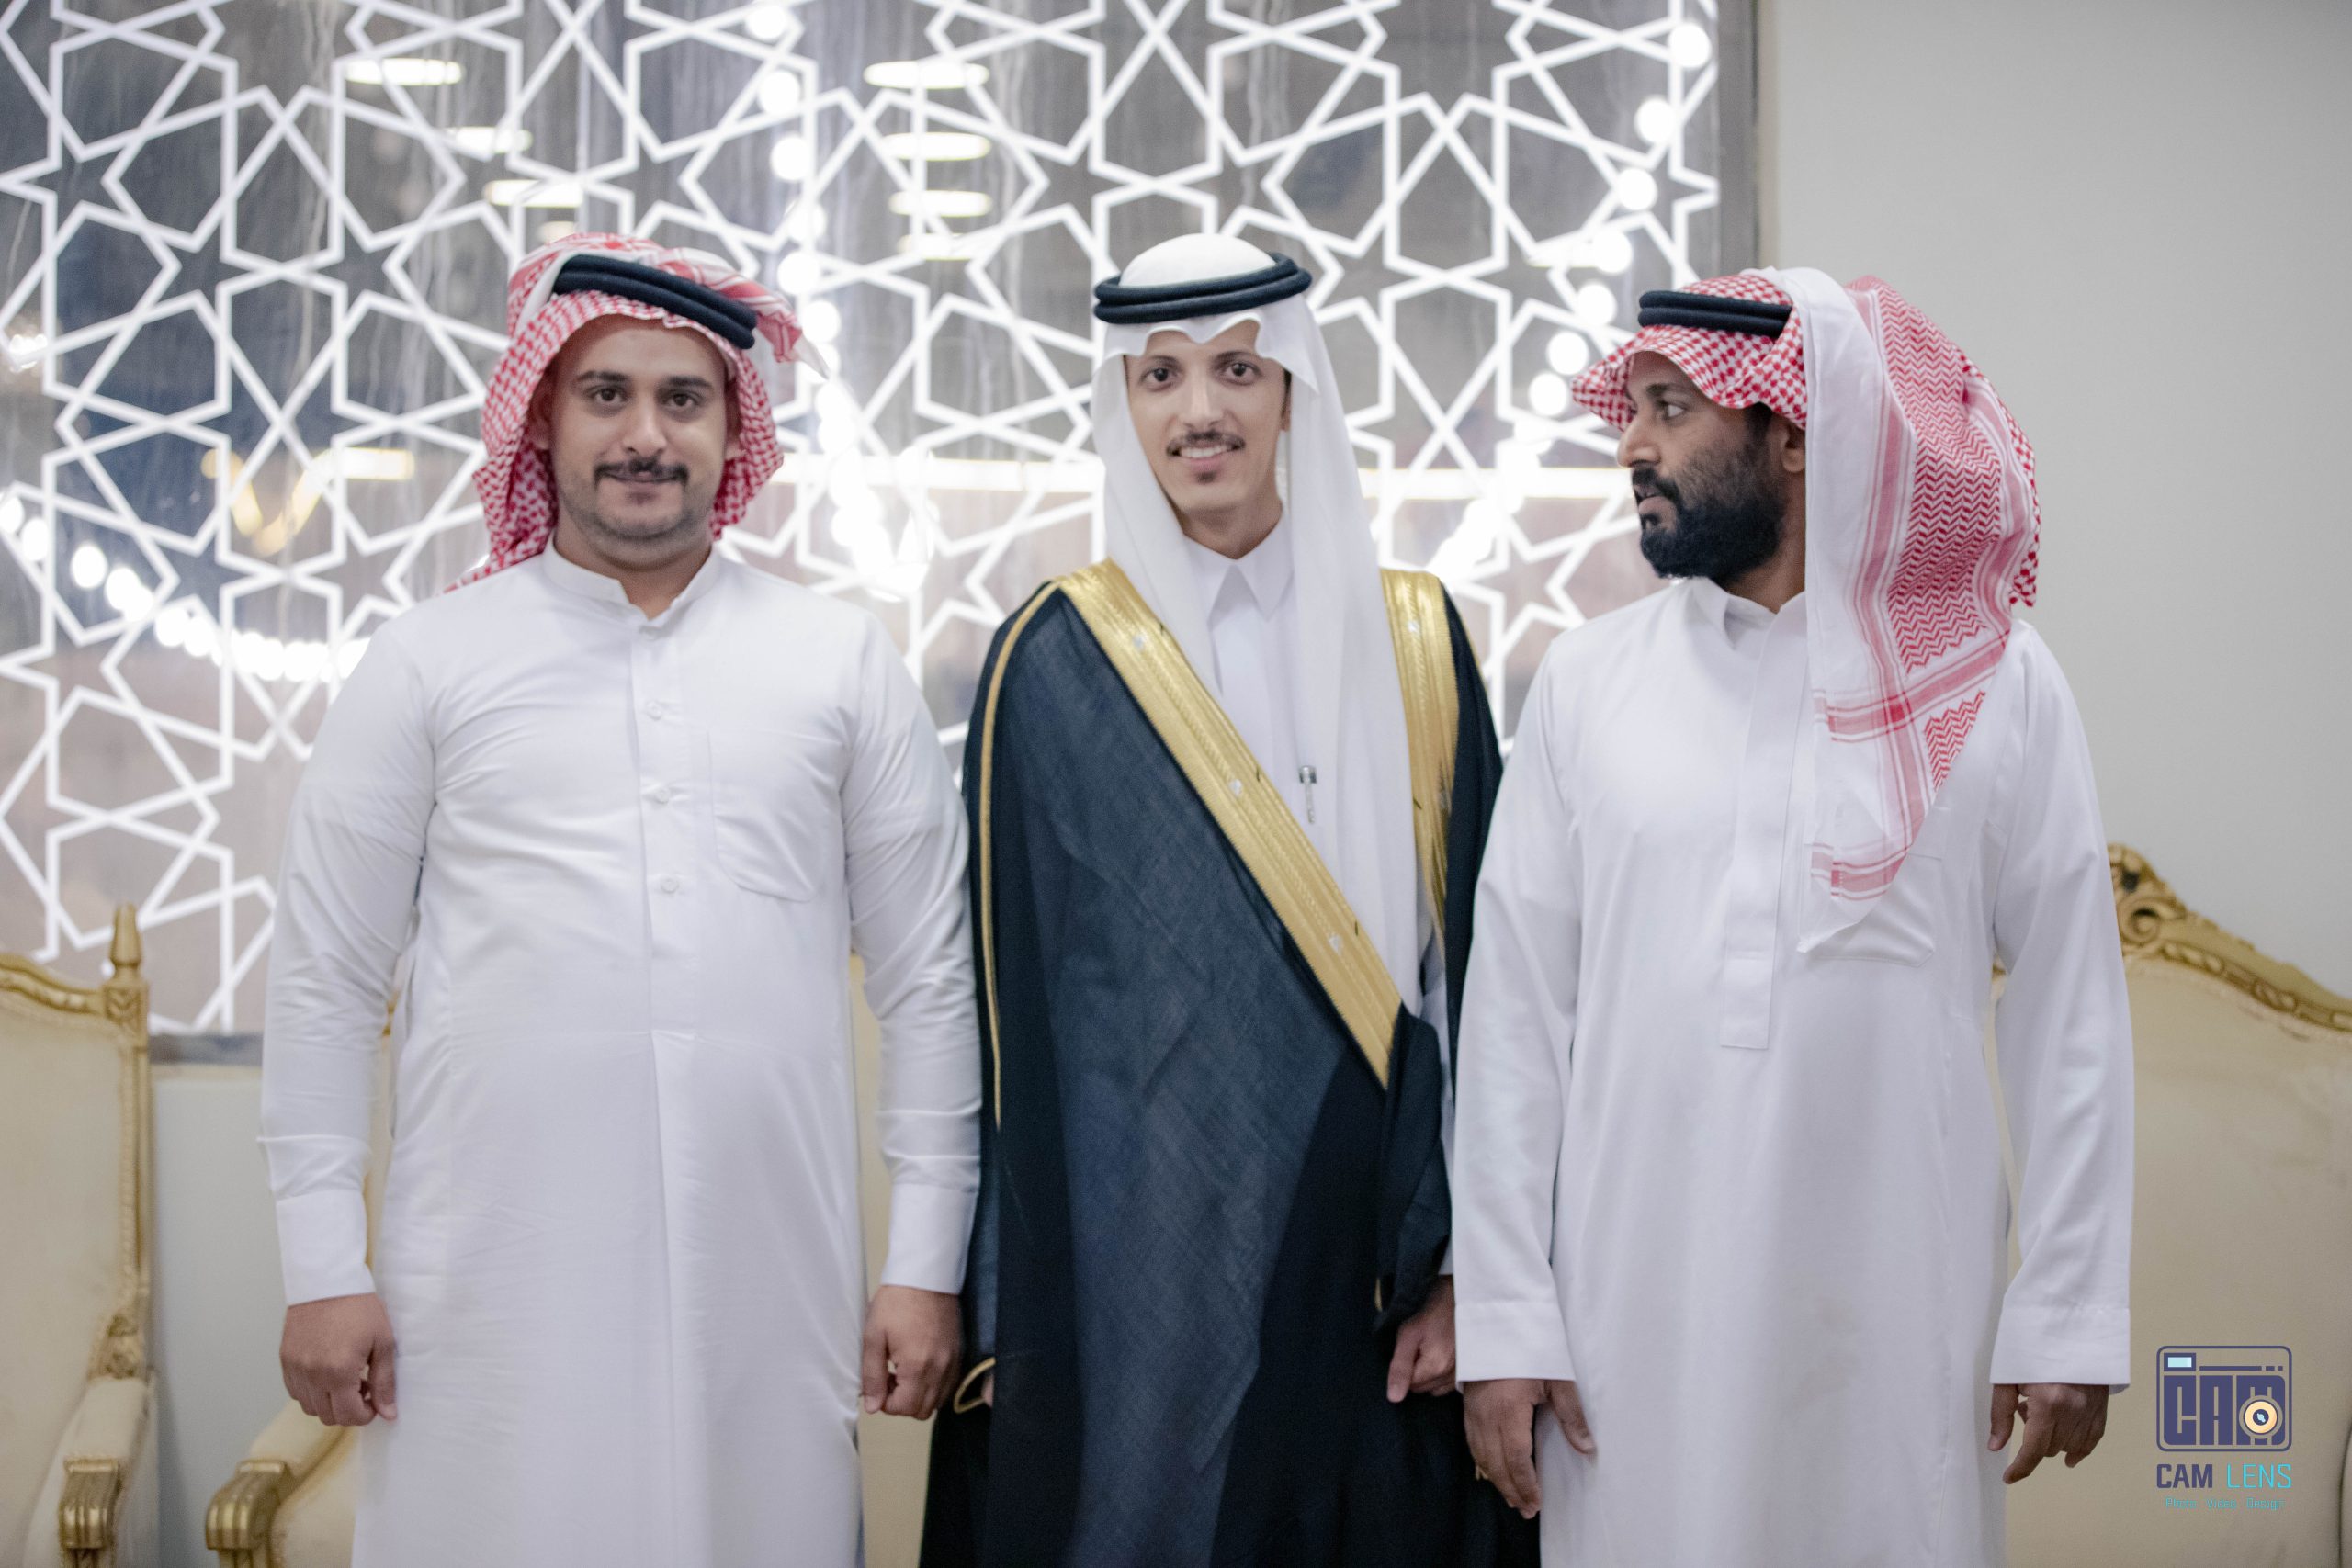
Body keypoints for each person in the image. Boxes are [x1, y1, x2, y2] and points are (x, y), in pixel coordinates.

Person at [261, 232, 980, 1567]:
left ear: (733, 430)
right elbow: (325, 982)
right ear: (542, 416)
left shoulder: (836, 661)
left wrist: (927, 1262)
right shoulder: (427, 663)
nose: (645, 434)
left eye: (682, 398)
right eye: (607, 394)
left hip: (769, 1277)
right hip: (486, 1292)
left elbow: (931, 980)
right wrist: (321, 1267)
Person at [1452, 270, 2134, 1566]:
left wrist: (2069, 1309)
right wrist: (1504, 1316)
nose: (1632, 445)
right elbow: (1514, 1026)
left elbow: (2073, 1013)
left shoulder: (1993, 682)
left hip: (1900, 1319)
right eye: (1631, 410)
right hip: (1629, 1329)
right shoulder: (1589, 684)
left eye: (1671, 409)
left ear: (1796, 433)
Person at [919, 233, 1533, 1568]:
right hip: (1142, 1264)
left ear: (1295, 392)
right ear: (1122, 405)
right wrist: (1006, 1299)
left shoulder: (1419, 641)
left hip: (1381, 1255)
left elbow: (1481, 992)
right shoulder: (1054, 659)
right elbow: (1013, 1025)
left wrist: (1473, 1272)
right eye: (1161, 376)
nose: (1200, 410)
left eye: (1238, 370)